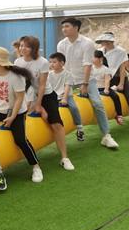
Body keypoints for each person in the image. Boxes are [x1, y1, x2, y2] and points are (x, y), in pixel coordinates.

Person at [0, 46, 43, 183]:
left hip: (16, 111)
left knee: (20, 140)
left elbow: (19, 99)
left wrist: (12, 117)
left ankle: (36, 167)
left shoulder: (15, 77)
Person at [14, 37, 74, 171]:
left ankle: (64, 158)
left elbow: (41, 85)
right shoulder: (18, 62)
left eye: (26, 46)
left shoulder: (42, 62)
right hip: (27, 94)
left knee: (56, 124)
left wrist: (38, 104)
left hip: (46, 95)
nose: (22, 48)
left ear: (34, 48)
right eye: (21, 46)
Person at [57, 18, 119, 149]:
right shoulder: (61, 44)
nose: (64, 29)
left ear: (76, 28)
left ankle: (106, 136)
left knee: (97, 103)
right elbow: (62, 65)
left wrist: (84, 84)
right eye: (63, 27)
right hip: (68, 79)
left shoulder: (87, 43)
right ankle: (77, 128)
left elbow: (87, 65)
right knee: (60, 101)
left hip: (86, 79)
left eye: (67, 26)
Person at [96, 32, 129, 133]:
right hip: (105, 78)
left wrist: (121, 83)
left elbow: (122, 68)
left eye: (104, 41)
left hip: (118, 78)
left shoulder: (121, 51)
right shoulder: (100, 51)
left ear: (109, 41)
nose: (102, 43)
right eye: (102, 41)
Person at [48, 52, 84, 141]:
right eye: (50, 62)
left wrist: (64, 98)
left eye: (54, 62)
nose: (51, 64)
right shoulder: (49, 74)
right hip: (54, 96)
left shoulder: (67, 74)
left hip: (66, 96)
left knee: (74, 107)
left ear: (62, 63)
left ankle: (80, 128)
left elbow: (67, 87)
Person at [92, 50, 124, 126]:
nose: (92, 59)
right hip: (94, 89)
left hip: (103, 88)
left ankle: (119, 115)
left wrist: (106, 89)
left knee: (115, 96)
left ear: (100, 59)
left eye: (94, 57)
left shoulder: (105, 69)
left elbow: (107, 80)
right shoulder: (91, 68)